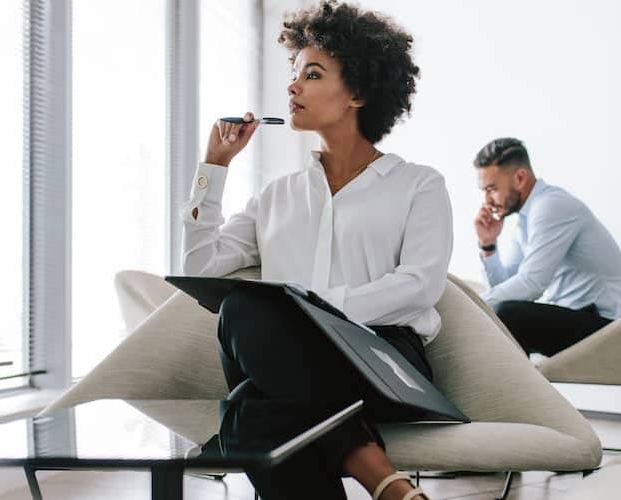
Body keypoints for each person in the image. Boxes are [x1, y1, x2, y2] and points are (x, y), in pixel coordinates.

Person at [182, 2, 449, 499]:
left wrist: (313, 310)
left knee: (249, 410)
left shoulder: (419, 185)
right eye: (293, 73)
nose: (292, 86)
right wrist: (213, 168)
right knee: (241, 310)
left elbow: (421, 284)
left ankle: (238, 426)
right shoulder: (276, 196)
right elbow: (200, 266)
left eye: (312, 73)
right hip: (297, 363)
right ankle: (387, 484)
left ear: (360, 93)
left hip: (384, 359)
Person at [473, 137, 621, 357]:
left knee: (507, 314)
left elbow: (532, 284)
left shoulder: (550, 206)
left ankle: (511, 391)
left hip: (613, 325)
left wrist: (475, 306)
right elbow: (508, 288)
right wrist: (488, 245)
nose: (487, 200)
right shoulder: (525, 219)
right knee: (503, 312)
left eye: (491, 189)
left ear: (520, 178)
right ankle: (507, 390)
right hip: (581, 317)